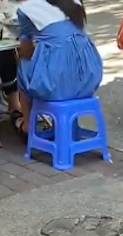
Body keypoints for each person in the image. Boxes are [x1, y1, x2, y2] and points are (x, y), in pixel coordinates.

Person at [14, 0, 103, 141]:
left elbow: (26, 50)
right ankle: (63, 123)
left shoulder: (27, 9)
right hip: (89, 78)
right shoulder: (75, 3)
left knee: (24, 65)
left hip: (57, 85)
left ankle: (28, 124)